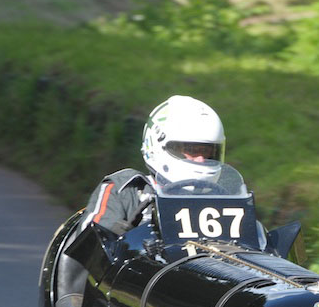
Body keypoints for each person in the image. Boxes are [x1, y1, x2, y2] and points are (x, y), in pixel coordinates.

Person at [81, 95, 226, 235]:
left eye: (207, 151)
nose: (201, 159)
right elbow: (90, 247)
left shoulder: (226, 201)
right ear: (158, 144)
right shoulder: (125, 189)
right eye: (192, 150)